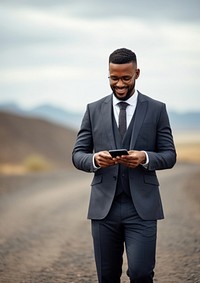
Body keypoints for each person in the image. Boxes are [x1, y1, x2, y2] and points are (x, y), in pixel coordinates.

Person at [72, 48, 176, 283]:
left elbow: (169, 155)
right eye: (114, 78)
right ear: (108, 75)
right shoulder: (93, 109)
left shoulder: (157, 109)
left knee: (141, 274)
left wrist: (145, 158)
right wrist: (94, 160)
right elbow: (78, 154)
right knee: (107, 277)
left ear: (137, 73)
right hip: (103, 210)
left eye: (125, 78)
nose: (119, 84)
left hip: (142, 209)